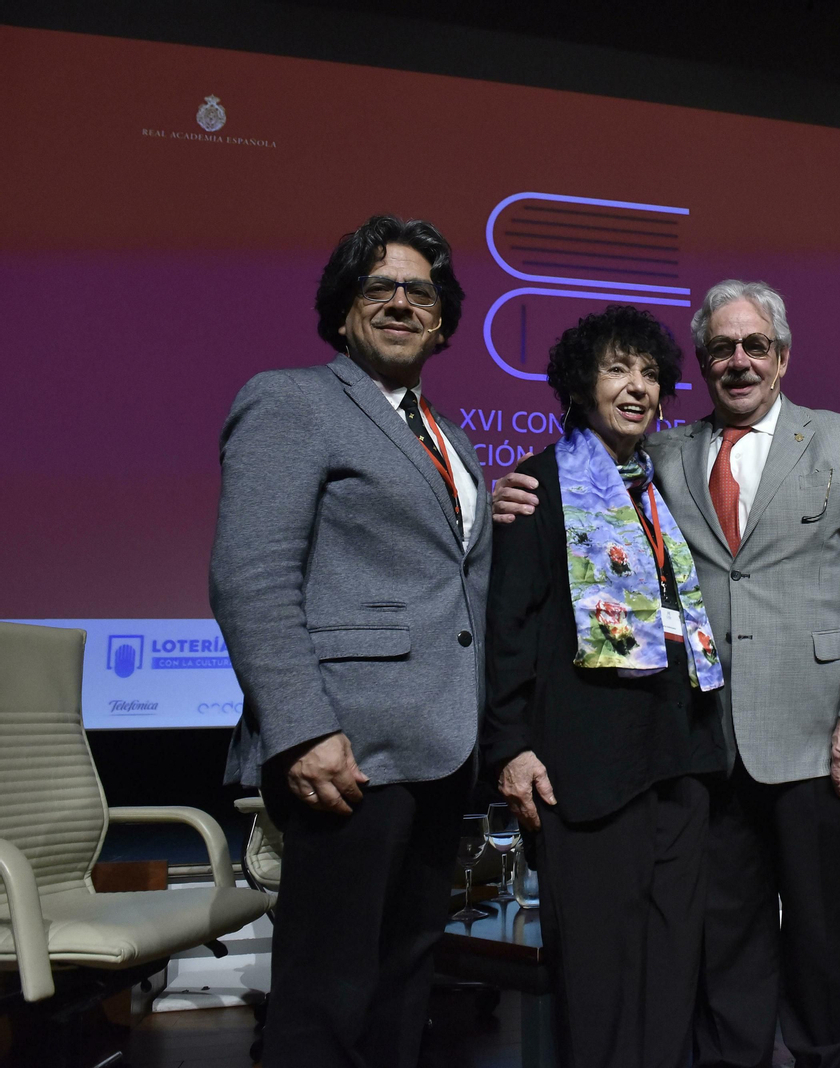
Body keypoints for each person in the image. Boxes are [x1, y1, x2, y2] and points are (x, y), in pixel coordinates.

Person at [494, 280, 840, 1068]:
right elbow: (570, 477)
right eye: (722, 348)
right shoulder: (663, 452)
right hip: (706, 752)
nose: (740, 361)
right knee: (728, 944)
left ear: (782, 358)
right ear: (704, 363)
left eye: (756, 346)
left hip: (820, 735)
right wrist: (503, 492)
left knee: (822, 941)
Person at [210, 215, 486, 1068]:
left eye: (421, 292)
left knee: (402, 987)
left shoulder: (446, 435)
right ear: (341, 311)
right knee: (323, 1001)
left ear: (442, 321)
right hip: (346, 752)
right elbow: (250, 577)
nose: (402, 302)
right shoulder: (290, 399)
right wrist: (300, 728)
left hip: (440, 751)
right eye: (379, 287)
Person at [483, 305, 728, 1067]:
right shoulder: (537, 486)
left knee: (671, 964)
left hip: (677, 762)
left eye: (651, 372)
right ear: (580, 385)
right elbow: (509, 630)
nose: (638, 387)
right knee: (597, 975)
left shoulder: (660, 491)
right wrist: (513, 748)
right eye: (618, 369)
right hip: (584, 772)